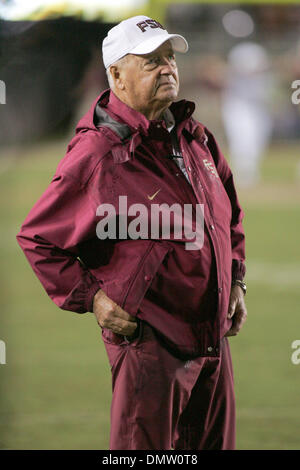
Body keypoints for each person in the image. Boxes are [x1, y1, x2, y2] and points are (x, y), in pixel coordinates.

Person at [16, 15, 247, 450]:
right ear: (117, 76)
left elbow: (229, 215)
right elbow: (39, 238)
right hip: (150, 344)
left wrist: (236, 279)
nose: (167, 68)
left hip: (213, 339)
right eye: (150, 61)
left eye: (169, 58)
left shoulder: (196, 137)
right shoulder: (99, 153)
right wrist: (94, 299)